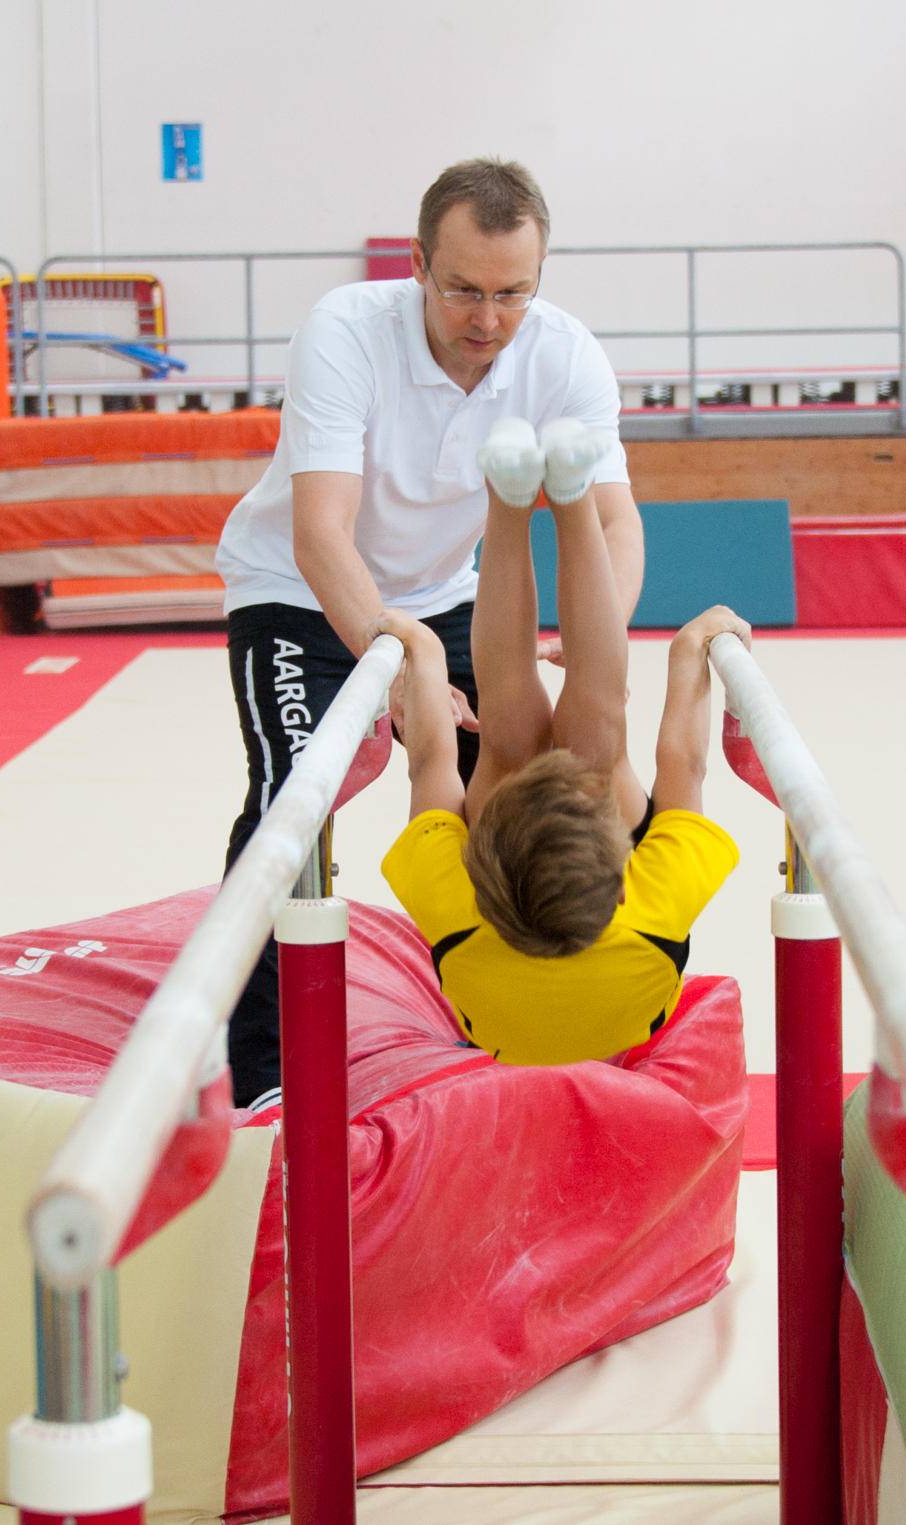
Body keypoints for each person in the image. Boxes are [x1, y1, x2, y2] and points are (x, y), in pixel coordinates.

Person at [214, 158, 645, 1107]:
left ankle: (514, 1013)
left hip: (449, 595)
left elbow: (617, 526)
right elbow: (321, 531)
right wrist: (402, 670)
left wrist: (595, 650)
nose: (486, 320)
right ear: (416, 263)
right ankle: (259, 1064)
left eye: (511, 294)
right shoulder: (343, 334)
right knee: (299, 793)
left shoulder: (566, 354)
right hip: (299, 590)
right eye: (461, 290)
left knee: (551, 780)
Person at [370, 416, 745, 1064]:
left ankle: (567, 493)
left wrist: (693, 648)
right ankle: (515, 496)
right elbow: (430, 758)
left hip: (555, 932)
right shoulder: (459, 911)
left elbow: (683, 762)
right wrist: (421, 651)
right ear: (621, 888)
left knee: (595, 730)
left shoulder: (656, 906)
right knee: (522, 728)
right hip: (517, 949)